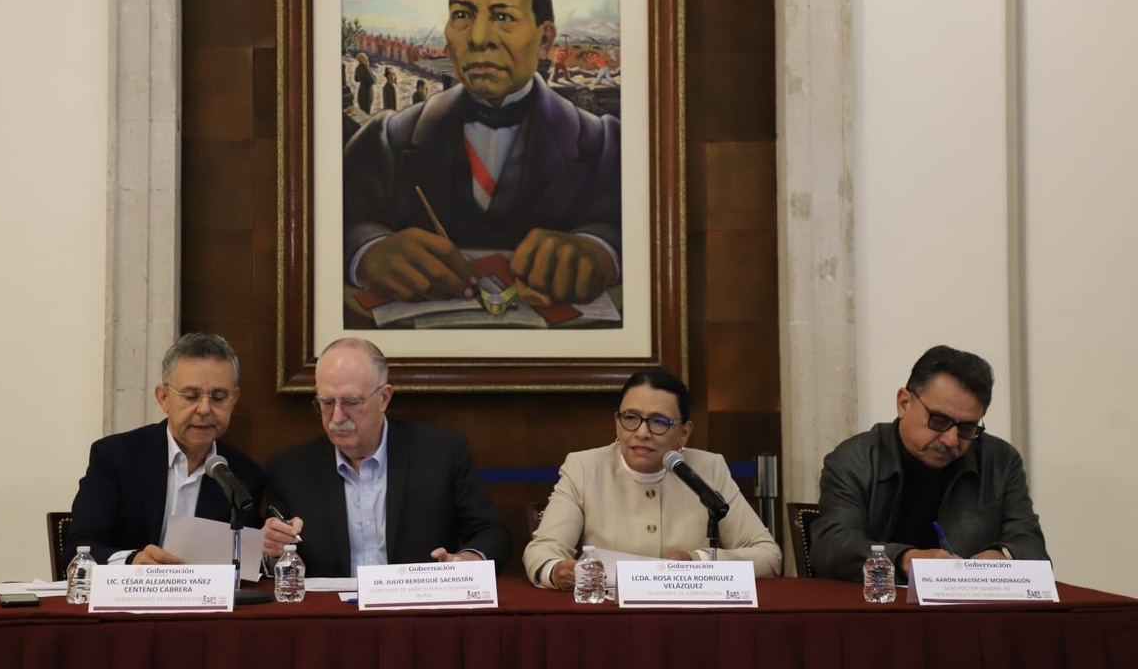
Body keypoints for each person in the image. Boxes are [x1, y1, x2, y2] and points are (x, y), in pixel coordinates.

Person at [343, 0, 621, 307]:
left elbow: (642, 230)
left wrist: (601, 250)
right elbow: (333, 224)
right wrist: (368, 252)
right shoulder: (384, 140)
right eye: (462, 15)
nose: (477, 38)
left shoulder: (606, 145)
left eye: (503, 17)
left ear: (544, 38)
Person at [262, 337, 511, 577]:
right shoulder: (290, 469)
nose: (336, 417)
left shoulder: (442, 453)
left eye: (351, 402)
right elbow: (275, 557)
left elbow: (491, 532)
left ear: (383, 398)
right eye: (327, 402)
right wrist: (270, 549)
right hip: (332, 614)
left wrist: (468, 560)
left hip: (419, 609)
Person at [523, 369, 782, 589]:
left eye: (659, 422)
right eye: (631, 418)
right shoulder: (585, 467)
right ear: (617, 422)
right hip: (609, 619)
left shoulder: (708, 468)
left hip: (688, 618)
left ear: (684, 433)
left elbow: (768, 555)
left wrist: (698, 561)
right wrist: (557, 571)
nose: (642, 433)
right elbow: (543, 550)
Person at [810, 345, 1049, 582]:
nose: (951, 439)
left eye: (967, 427)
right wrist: (905, 559)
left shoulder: (1000, 461)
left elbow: (1031, 547)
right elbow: (832, 548)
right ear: (904, 403)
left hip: (968, 612)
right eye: (939, 420)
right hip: (879, 609)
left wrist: (1003, 556)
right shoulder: (855, 459)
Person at [67, 333, 264, 566]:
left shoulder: (243, 475)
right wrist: (131, 561)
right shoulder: (115, 457)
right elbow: (80, 550)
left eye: (218, 397)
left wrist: (267, 545)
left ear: (234, 399)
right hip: (128, 597)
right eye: (190, 396)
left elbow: (244, 563)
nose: (204, 409)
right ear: (164, 398)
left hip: (206, 600)